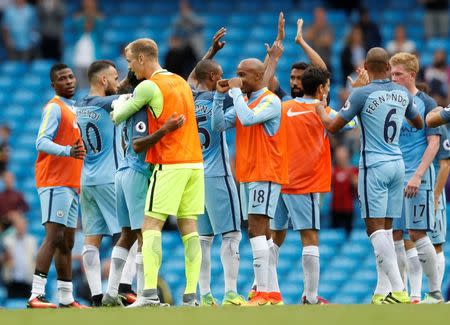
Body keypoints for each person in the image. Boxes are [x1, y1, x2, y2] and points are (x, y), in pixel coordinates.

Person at [315, 47, 423, 304]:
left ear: (365, 65)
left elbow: (333, 126)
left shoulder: (361, 93)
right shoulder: (401, 92)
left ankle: (398, 289)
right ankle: (382, 290)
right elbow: (418, 123)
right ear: (388, 68)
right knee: (386, 228)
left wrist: (320, 109)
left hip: (374, 164)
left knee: (373, 228)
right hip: (397, 163)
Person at [111, 38, 203, 307]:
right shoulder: (180, 81)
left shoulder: (150, 86)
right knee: (190, 229)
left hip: (170, 163)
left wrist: (120, 101)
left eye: (130, 61)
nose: (130, 68)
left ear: (142, 58)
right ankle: (191, 295)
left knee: (150, 226)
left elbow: (118, 116)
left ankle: (148, 293)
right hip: (194, 163)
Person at [212, 46, 288, 305]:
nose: (238, 78)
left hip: (265, 171)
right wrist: (216, 97)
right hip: (248, 173)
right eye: (237, 74)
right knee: (263, 232)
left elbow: (247, 120)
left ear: (258, 77)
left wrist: (234, 93)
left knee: (256, 228)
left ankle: (264, 293)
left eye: (242, 75)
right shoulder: (244, 100)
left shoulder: (270, 100)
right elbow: (219, 125)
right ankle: (272, 292)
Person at [102, 71, 186, 306]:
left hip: (121, 173)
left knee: (126, 235)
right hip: (137, 173)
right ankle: (143, 294)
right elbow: (138, 144)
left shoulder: (122, 103)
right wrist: (165, 130)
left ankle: (110, 292)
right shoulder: (140, 108)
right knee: (144, 235)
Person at [187, 28, 246, 306]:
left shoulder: (187, 99)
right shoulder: (219, 99)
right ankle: (231, 292)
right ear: (213, 78)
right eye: (219, 73)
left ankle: (205, 294)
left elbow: (192, 77)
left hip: (195, 177)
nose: (223, 77)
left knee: (203, 240)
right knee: (232, 234)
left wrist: (210, 53)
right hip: (218, 174)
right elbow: (221, 123)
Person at [29, 63, 88, 309]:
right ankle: (36, 294)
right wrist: (67, 151)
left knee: (67, 242)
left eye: (71, 76)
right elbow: (40, 141)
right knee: (53, 237)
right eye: (62, 79)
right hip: (55, 181)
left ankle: (65, 296)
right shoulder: (54, 108)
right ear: (54, 85)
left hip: (71, 183)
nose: (69, 81)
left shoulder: (73, 109)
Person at [390, 52, 443, 304]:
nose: (394, 78)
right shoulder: (391, 102)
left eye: (398, 74)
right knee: (395, 234)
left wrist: (418, 175)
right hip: (394, 178)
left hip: (417, 176)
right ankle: (403, 293)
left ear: (412, 75)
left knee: (418, 233)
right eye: (391, 74)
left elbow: (433, 144)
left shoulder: (427, 103)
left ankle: (434, 292)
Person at [75, 60, 123, 307]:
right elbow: (130, 97)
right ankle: (116, 291)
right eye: (114, 77)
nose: (117, 81)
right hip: (109, 178)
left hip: (88, 179)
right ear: (103, 80)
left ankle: (95, 296)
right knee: (128, 235)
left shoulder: (79, 104)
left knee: (91, 239)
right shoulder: (109, 103)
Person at [428, 124, 449, 298]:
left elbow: (445, 165)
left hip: (434, 192)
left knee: (436, 244)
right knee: (406, 242)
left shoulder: (438, 125)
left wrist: (435, 196)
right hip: (413, 189)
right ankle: (411, 295)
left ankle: (436, 294)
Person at [2, 215, 37, 298]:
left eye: (23, 225)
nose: (21, 227)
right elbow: (4, 257)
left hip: (27, 279)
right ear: (15, 226)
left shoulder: (32, 240)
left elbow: (35, 259)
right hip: (11, 279)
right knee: (12, 305)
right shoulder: (7, 240)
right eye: (19, 225)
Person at [331, 145, 358, 235]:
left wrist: (353, 180)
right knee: (335, 235)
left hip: (348, 209)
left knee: (348, 234)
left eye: (342, 154)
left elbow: (358, 188)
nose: (341, 157)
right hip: (335, 208)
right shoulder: (333, 171)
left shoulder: (353, 170)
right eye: (339, 155)